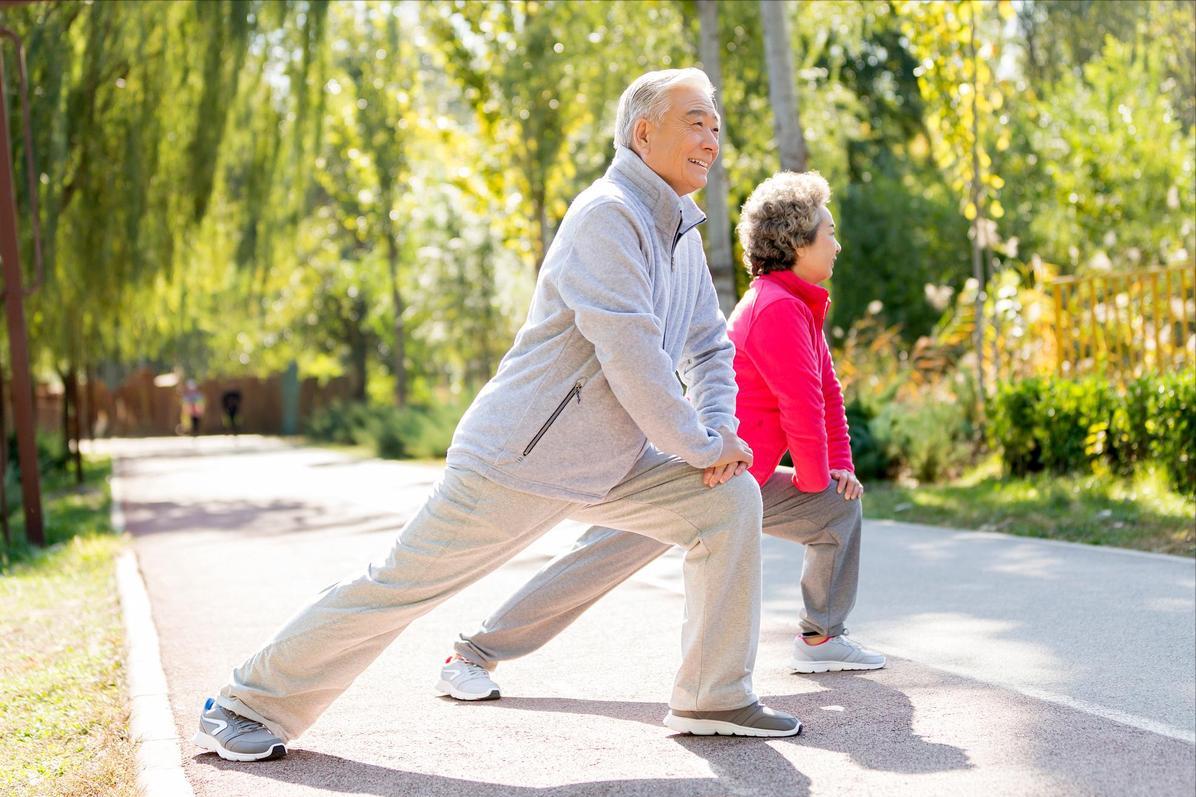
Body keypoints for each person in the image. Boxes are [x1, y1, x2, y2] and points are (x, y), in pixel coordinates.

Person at [194, 67, 800, 764]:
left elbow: (707, 344)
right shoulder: (607, 215)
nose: (712, 134)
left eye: (715, 123)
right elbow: (632, 355)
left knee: (727, 500)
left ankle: (713, 694)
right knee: (398, 586)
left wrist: (719, 435)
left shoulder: (681, 235)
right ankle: (247, 701)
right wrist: (697, 443)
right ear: (644, 133)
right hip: (518, 458)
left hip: (612, 460)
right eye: (695, 120)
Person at [437, 171, 885, 706]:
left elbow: (827, 392)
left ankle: (821, 637)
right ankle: (470, 653)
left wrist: (838, 470)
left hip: (745, 477)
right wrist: (815, 475)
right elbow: (800, 406)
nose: (837, 243)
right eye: (828, 231)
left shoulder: (803, 304)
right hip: (699, 474)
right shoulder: (776, 308)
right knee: (591, 567)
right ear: (796, 242)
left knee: (836, 511)